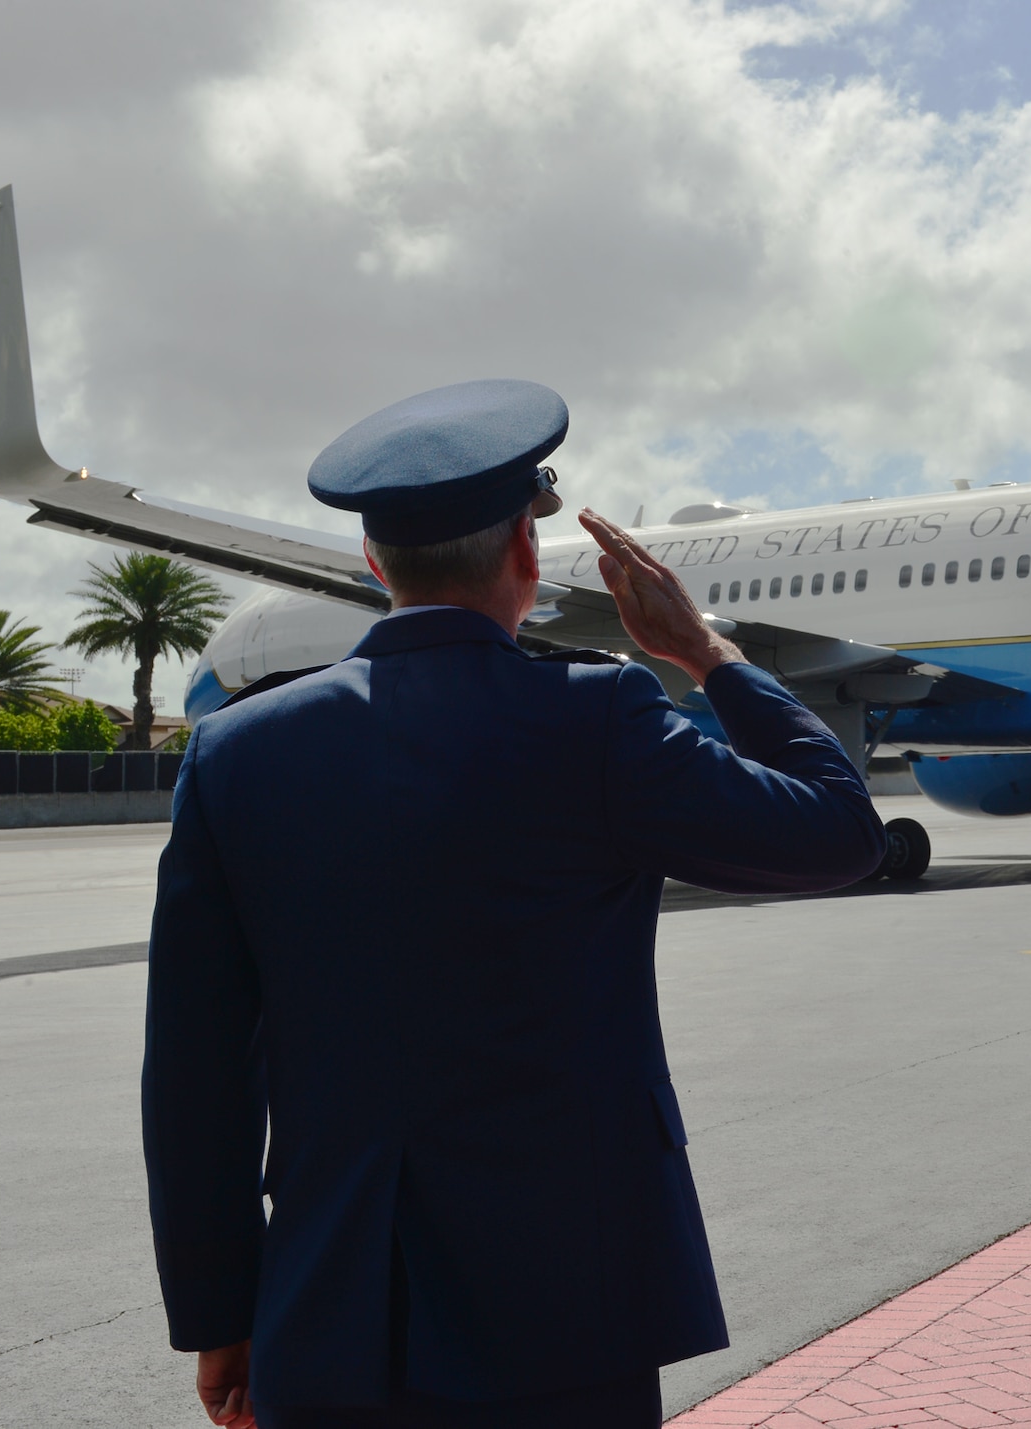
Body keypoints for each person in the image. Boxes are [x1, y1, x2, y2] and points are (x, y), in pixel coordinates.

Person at [142, 379, 886, 1429]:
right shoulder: (599, 719)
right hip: (566, 1305)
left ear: (373, 562)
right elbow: (838, 831)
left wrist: (221, 1309)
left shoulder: (235, 753)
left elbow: (194, 1074)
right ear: (526, 560)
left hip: (330, 1307)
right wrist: (707, 655)